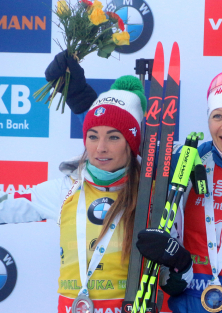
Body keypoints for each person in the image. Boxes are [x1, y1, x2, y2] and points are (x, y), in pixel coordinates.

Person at [0, 54, 147, 312]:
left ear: (131, 143)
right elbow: (10, 206)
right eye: (93, 136)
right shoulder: (65, 189)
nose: (101, 148)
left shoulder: (151, 194)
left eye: (113, 137)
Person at [135, 70, 222, 313]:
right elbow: (125, 149)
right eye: (217, 116)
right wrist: (84, 100)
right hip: (188, 304)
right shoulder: (189, 159)